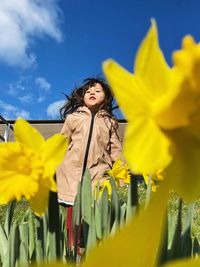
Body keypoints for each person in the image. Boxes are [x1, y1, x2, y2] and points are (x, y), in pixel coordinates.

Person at [56, 77, 123, 258]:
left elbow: (116, 150)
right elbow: (60, 144)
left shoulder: (110, 122)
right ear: (82, 97)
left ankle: (92, 248)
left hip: (98, 174)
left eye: (97, 91)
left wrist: (121, 173)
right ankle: (73, 251)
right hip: (71, 172)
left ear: (106, 98)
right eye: (88, 91)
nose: (92, 93)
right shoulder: (73, 118)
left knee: (93, 213)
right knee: (73, 215)